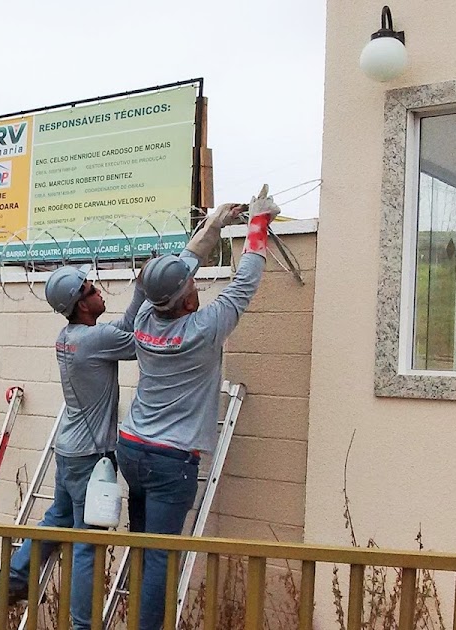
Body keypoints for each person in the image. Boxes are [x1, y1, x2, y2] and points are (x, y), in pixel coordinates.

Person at [116, 193, 281, 630]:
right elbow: (245, 281)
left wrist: (214, 224)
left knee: (143, 547)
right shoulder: (202, 328)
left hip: (132, 449)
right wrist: (259, 222)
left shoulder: (144, 317)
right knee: (160, 559)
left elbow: (181, 265)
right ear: (187, 301)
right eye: (193, 287)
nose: (197, 285)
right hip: (171, 461)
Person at [3, 259, 145, 629]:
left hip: (69, 450)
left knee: (59, 517)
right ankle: (82, 624)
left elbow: (120, 328)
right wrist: (151, 294)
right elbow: (139, 341)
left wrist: (141, 289)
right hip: (92, 457)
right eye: (92, 290)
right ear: (81, 304)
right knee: (88, 542)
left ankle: (16, 578)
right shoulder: (96, 340)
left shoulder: (69, 337)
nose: (99, 292)